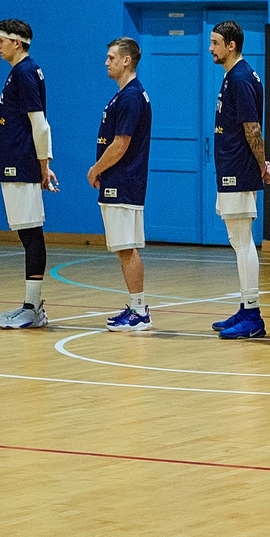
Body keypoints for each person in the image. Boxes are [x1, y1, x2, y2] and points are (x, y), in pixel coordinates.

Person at [206, 21, 270, 340]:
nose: (211, 48)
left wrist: (261, 164)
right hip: (232, 166)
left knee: (241, 240)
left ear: (231, 45)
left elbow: (252, 128)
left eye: (215, 43)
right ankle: (244, 307)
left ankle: (252, 314)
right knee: (237, 240)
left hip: (238, 168)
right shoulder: (234, 76)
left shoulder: (240, 77)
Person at [0, 19, 59, 330]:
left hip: (21, 163)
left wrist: (43, 165)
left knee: (32, 234)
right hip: (17, 162)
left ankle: (33, 309)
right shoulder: (21, 72)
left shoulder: (24, 72)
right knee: (26, 234)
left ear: (17, 43)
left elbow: (40, 125)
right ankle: (31, 306)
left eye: (2, 40)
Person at [88, 37, 153, 333]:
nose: (106, 62)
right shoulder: (125, 95)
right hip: (120, 181)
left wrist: (96, 169)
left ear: (127, 60)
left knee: (126, 248)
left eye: (111, 57)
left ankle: (140, 311)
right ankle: (136, 307)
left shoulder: (131, 97)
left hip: (124, 182)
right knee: (124, 248)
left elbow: (121, 143)